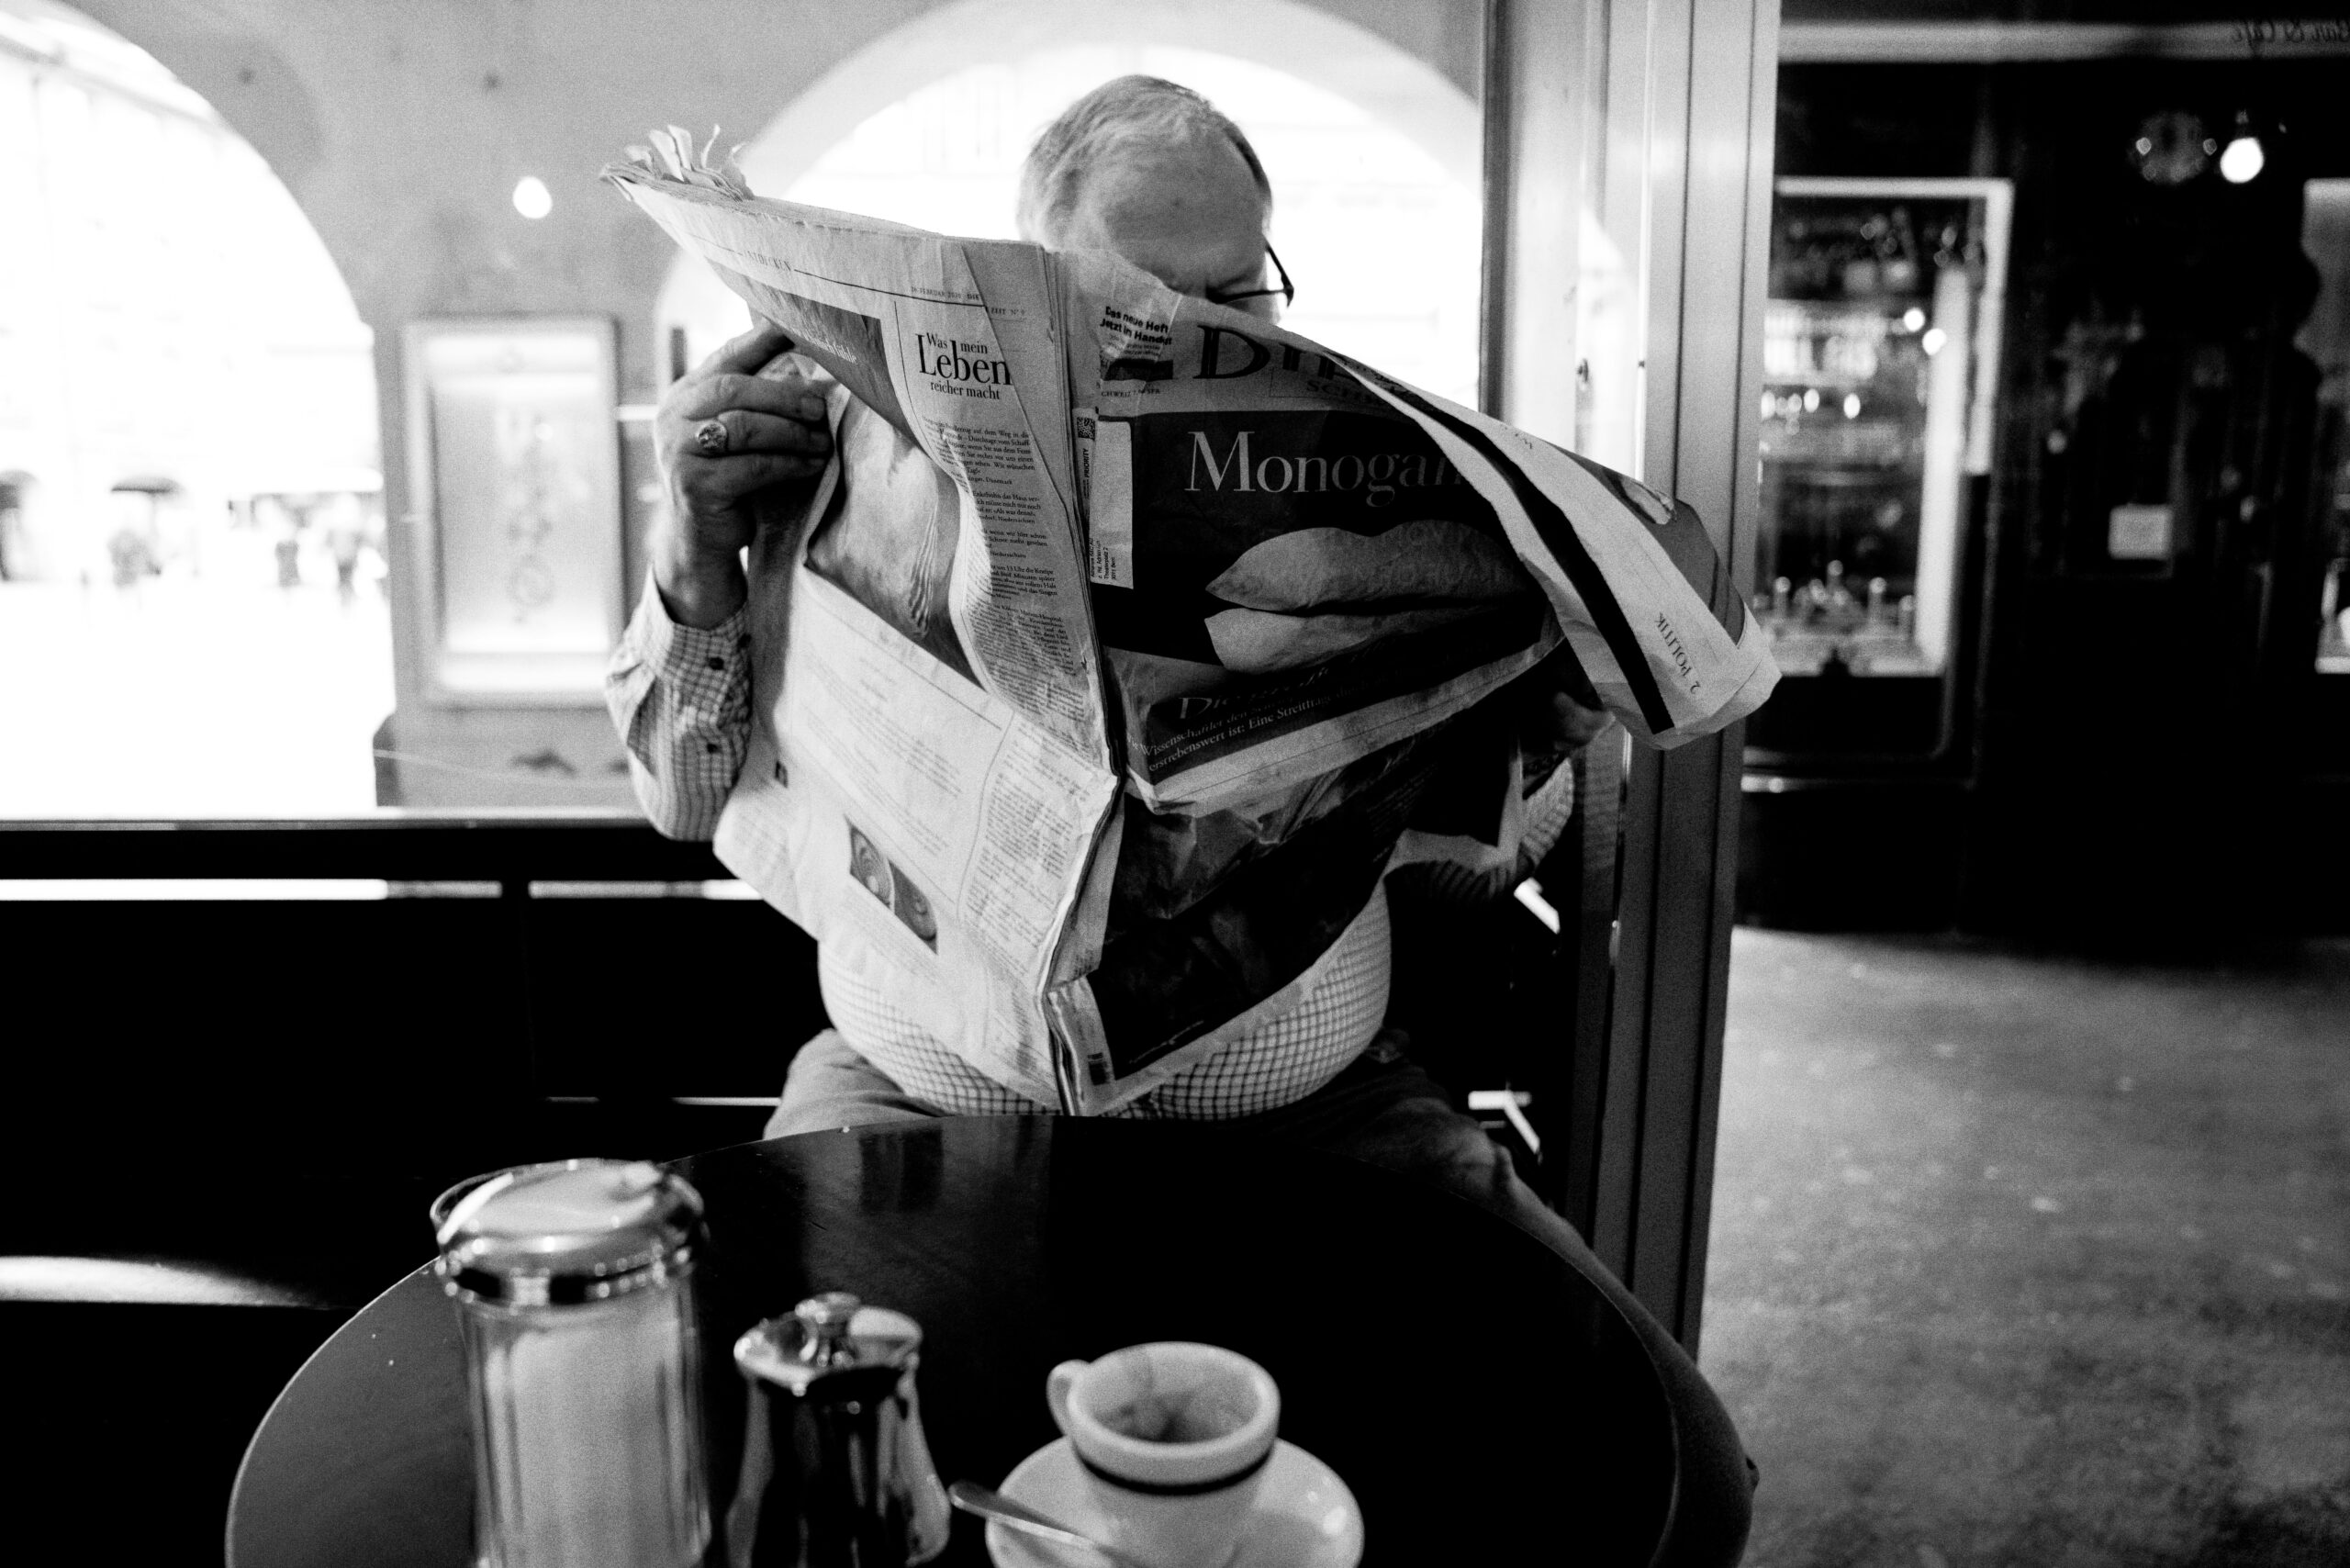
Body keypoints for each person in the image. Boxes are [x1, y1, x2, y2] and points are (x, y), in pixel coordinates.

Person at [610, 77, 1597, 1260]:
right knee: (767, 1354)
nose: (1204, 338)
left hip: (1325, 1125)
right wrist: (691, 545)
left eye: (1237, 293)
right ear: (1030, 288)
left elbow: (1452, 888)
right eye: (1141, 304)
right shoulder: (830, 442)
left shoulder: (1357, 482)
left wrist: (1537, 741)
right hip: (906, 1112)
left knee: (1598, 1360)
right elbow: (683, 805)